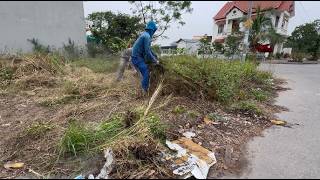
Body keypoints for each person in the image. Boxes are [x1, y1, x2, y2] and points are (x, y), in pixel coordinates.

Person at [131, 21, 159, 94]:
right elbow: (147, 51)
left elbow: (149, 49)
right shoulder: (147, 36)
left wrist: (155, 56)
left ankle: (146, 86)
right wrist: (155, 61)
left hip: (138, 57)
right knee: (147, 71)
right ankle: (144, 91)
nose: (154, 32)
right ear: (152, 30)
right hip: (137, 58)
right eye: (154, 30)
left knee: (145, 73)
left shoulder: (145, 35)